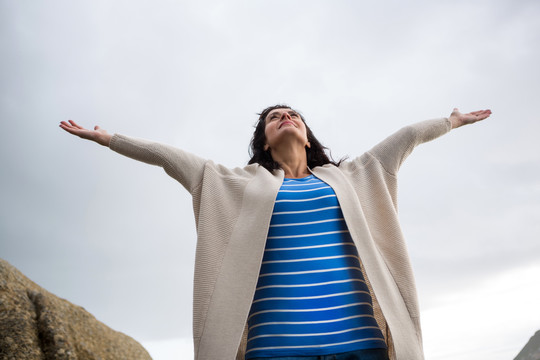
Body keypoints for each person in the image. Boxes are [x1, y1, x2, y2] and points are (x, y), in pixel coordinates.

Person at [59, 106, 491, 360]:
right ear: (265, 142)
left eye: (293, 115)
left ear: (306, 137)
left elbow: (407, 137)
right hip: (276, 350)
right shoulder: (235, 183)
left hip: (359, 345)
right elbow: (170, 158)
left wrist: (450, 121)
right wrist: (110, 139)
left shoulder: (353, 176)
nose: (285, 117)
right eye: (274, 118)